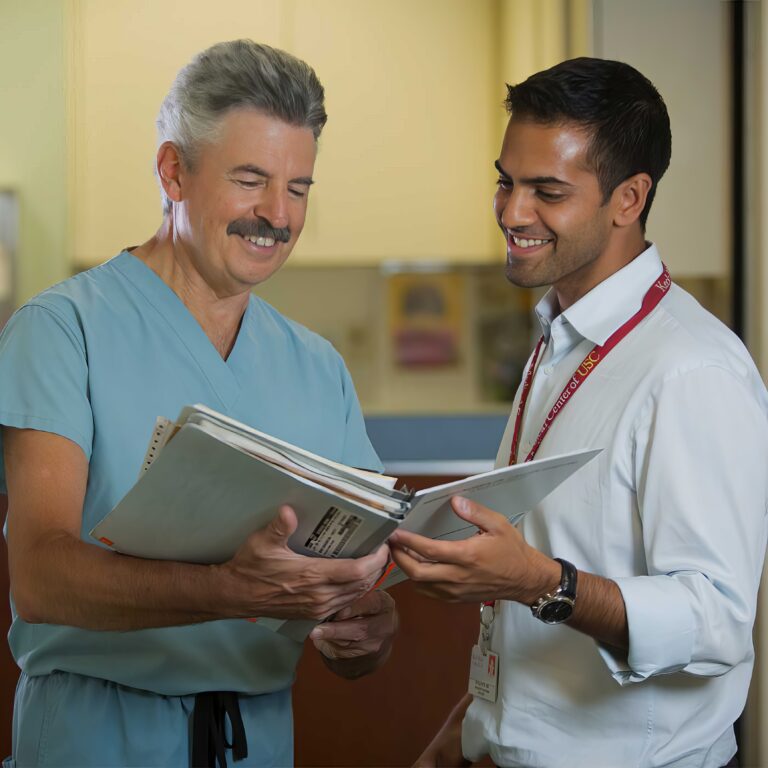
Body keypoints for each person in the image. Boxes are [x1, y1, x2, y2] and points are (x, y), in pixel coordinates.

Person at [0, 40, 397, 768]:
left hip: (258, 736)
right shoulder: (63, 331)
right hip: (98, 735)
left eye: (299, 188)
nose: (277, 215)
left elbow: (352, 589)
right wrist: (227, 589)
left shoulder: (316, 367)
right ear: (173, 171)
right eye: (251, 180)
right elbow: (41, 576)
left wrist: (361, 628)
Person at [390, 57, 768, 768]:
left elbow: (716, 623)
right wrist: (469, 731)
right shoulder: (560, 339)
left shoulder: (693, 371)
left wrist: (540, 582)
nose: (511, 212)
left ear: (628, 198)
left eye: (547, 191)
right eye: (506, 181)